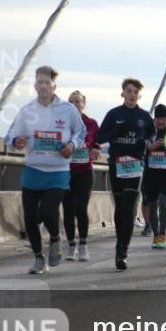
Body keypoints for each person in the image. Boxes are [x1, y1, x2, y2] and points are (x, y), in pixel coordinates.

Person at [5, 66, 86, 274]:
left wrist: (72, 146)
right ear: (35, 85)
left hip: (58, 171)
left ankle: (56, 239)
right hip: (32, 170)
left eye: (47, 82)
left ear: (54, 86)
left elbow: (81, 131)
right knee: (30, 219)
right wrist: (17, 141)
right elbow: (9, 137)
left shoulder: (68, 110)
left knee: (48, 212)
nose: (43, 86)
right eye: (39, 82)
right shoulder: (27, 111)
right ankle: (39, 258)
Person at [96, 78, 155, 271]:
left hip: (135, 166)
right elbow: (100, 137)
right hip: (116, 165)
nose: (131, 95)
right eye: (128, 91)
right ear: (123, 93)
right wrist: (115, 132)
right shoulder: (114, 114)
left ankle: (122, 251)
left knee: (129, 207)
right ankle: (120, 243)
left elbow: (152, 135)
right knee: (120, 208)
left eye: (135, 92)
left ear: (139, 95)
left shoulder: (144, 116)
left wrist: (145, 141)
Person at [62, 90, 100, 262]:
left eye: (78, 101)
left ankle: (83, 244)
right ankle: (71, 245)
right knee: (68, 210)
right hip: (65, 171)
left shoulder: (91, 123)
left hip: (85, 171)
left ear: (84, 104)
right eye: (71, 102)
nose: (75, 104)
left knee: (80, 207)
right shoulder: (61, 124)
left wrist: (96, 147)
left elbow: (98, 140)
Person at [143, 104, 166, 250]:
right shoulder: (149, 130)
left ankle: (162, 233)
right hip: (150, 174)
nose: (160, 122)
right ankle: (156, 235)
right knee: (152, 204)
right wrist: (152, 146)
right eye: (158, 119)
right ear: (154, 119)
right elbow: (142, 145)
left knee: (163, 202)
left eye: (163, 119)